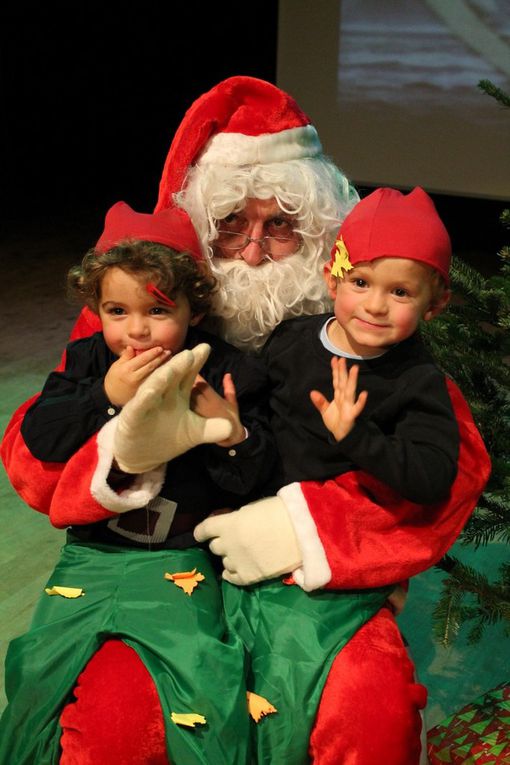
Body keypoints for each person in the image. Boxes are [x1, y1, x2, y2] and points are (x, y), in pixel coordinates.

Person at [0, 76, 490, 764]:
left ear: (321, 239)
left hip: (308, 575)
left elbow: (452, 469)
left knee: (368, 710)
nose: (254, 252)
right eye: (231, 225)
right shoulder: (141, 318)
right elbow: (34, 453)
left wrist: (303, 525)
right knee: (114, 725)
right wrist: (128, 446)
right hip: (157, 565)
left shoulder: (372, 337)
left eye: (281, 227)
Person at [0, 200, 278, 765]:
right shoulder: (88, 360)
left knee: (204, 678)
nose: (135, 331)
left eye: (156, 311)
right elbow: (42, 434)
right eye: (116, 311)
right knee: (34, 669)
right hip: (92, 551)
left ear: (193, 309)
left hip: (178, 558)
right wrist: (104, 396)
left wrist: (230, 433)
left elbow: (254, 478)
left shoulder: (230, 370)